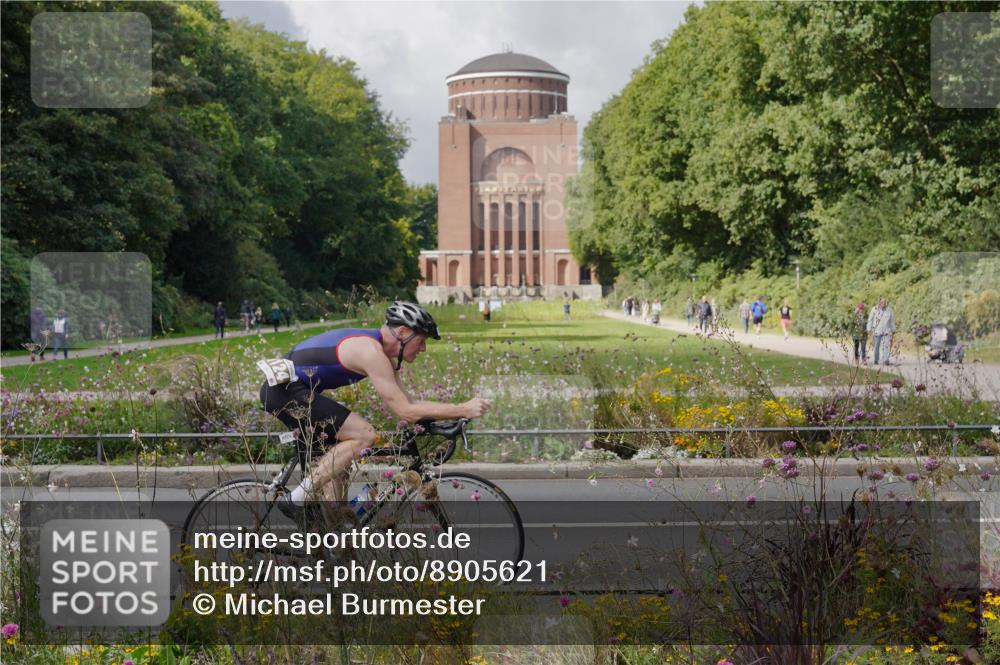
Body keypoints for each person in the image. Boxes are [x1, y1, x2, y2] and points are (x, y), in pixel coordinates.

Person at [261, 302, 491, 518]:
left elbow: (408, 403)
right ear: (402, 332)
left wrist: (445, 416)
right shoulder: (370, 351)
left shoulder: (382, 354)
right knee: (364, 435)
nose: (424, 348)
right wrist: (462, 409)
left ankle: (335, 541)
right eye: (421, 340)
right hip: (285, 391)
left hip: (294, 390)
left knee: (339, 466)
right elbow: (406, 411)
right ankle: (297, 498)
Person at [867, 297, 896, 366]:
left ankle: (886, 360)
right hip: (877, 331)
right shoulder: (874, 309)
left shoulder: (889, 310)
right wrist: (869, 329)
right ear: (879, 302)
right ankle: (876, 359)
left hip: (886, 331)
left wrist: (893, 329)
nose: (884, 303)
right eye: (882, 302)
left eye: (885, 302)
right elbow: (870, 320)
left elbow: (892, 321)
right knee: (876, 346)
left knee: (886, 346)